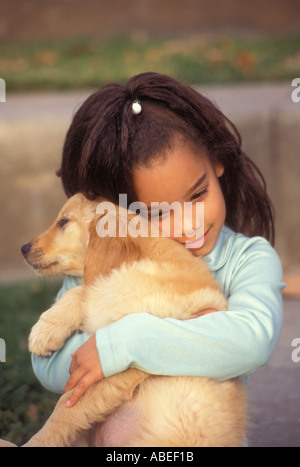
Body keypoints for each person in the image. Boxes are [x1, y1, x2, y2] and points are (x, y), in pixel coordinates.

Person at [32, 72, 285, 446]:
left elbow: (250, 341)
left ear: (217, 162)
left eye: (197, 195)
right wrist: (188, 334)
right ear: (123, 214)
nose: (189, 224)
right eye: (158, 213)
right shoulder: (106, 261)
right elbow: (50, 366)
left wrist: (122, 343)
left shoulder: (248, 259)